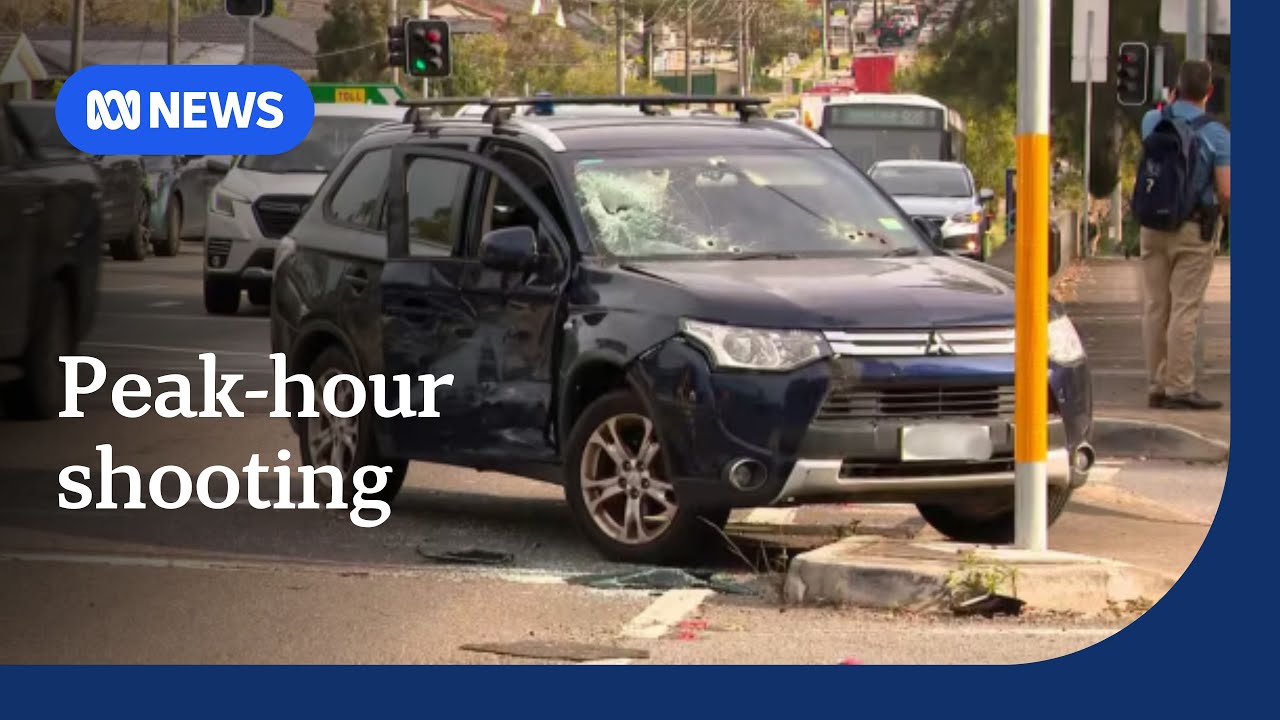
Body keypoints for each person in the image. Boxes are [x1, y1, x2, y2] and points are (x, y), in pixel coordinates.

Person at [1137, 60, 1230, 411]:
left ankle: (1156, 384)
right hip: (1192, 229)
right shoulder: (1218, 134)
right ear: (1209, 92)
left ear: (1175, 89)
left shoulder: (1153, 121)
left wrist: (1170, 103)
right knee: (1185, 308)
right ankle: (1180, 386)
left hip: (1152, 226)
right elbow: (1226, 190)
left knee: (1156, 307)